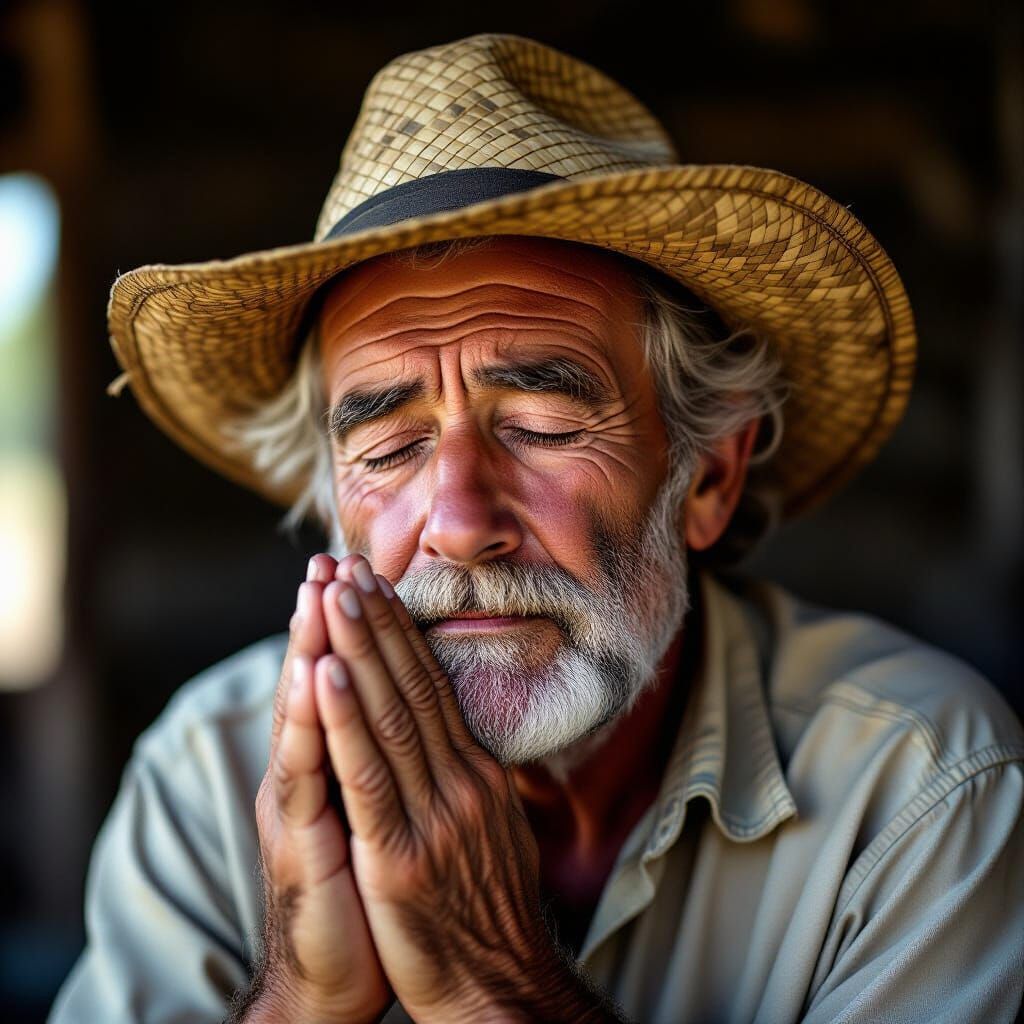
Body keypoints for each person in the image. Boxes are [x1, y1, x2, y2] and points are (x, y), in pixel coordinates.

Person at [50, 32, 1023, 1024]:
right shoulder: (210, 775)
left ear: (708, 476)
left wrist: (490, 986)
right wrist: (302, 997)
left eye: (542, 426)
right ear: (333, 502)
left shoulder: (916, 783)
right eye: (388, 450)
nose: (460, 525)